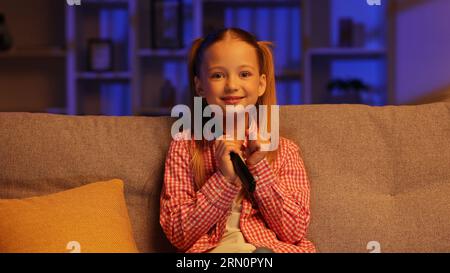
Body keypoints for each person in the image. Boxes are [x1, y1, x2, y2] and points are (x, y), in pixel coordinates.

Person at [159, 28, 316, 253]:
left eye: (244, 74)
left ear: (261, 84)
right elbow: (178, 234)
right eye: (217, 75)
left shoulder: (285, 150)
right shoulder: (184, 147)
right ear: (200, 86)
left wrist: (259, 167)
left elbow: (294, 231)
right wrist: (223, 179)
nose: (232, 85)